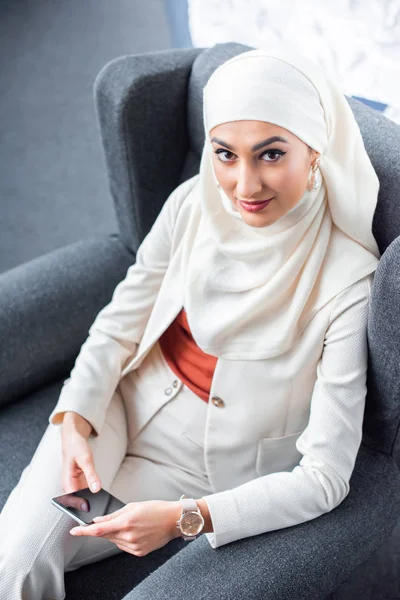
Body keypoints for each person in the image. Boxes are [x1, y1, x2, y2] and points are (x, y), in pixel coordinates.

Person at [0, 47, 380, 599]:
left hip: (202, 473)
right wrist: (77, 417)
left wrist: (188, 518)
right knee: (12, 565)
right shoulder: (191, 204)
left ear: (316, 150)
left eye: (271, 155)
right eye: (225, 154)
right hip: (117, 409)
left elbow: (325, 477)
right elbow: (119, 323)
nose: (244, 185)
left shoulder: (350, 282)